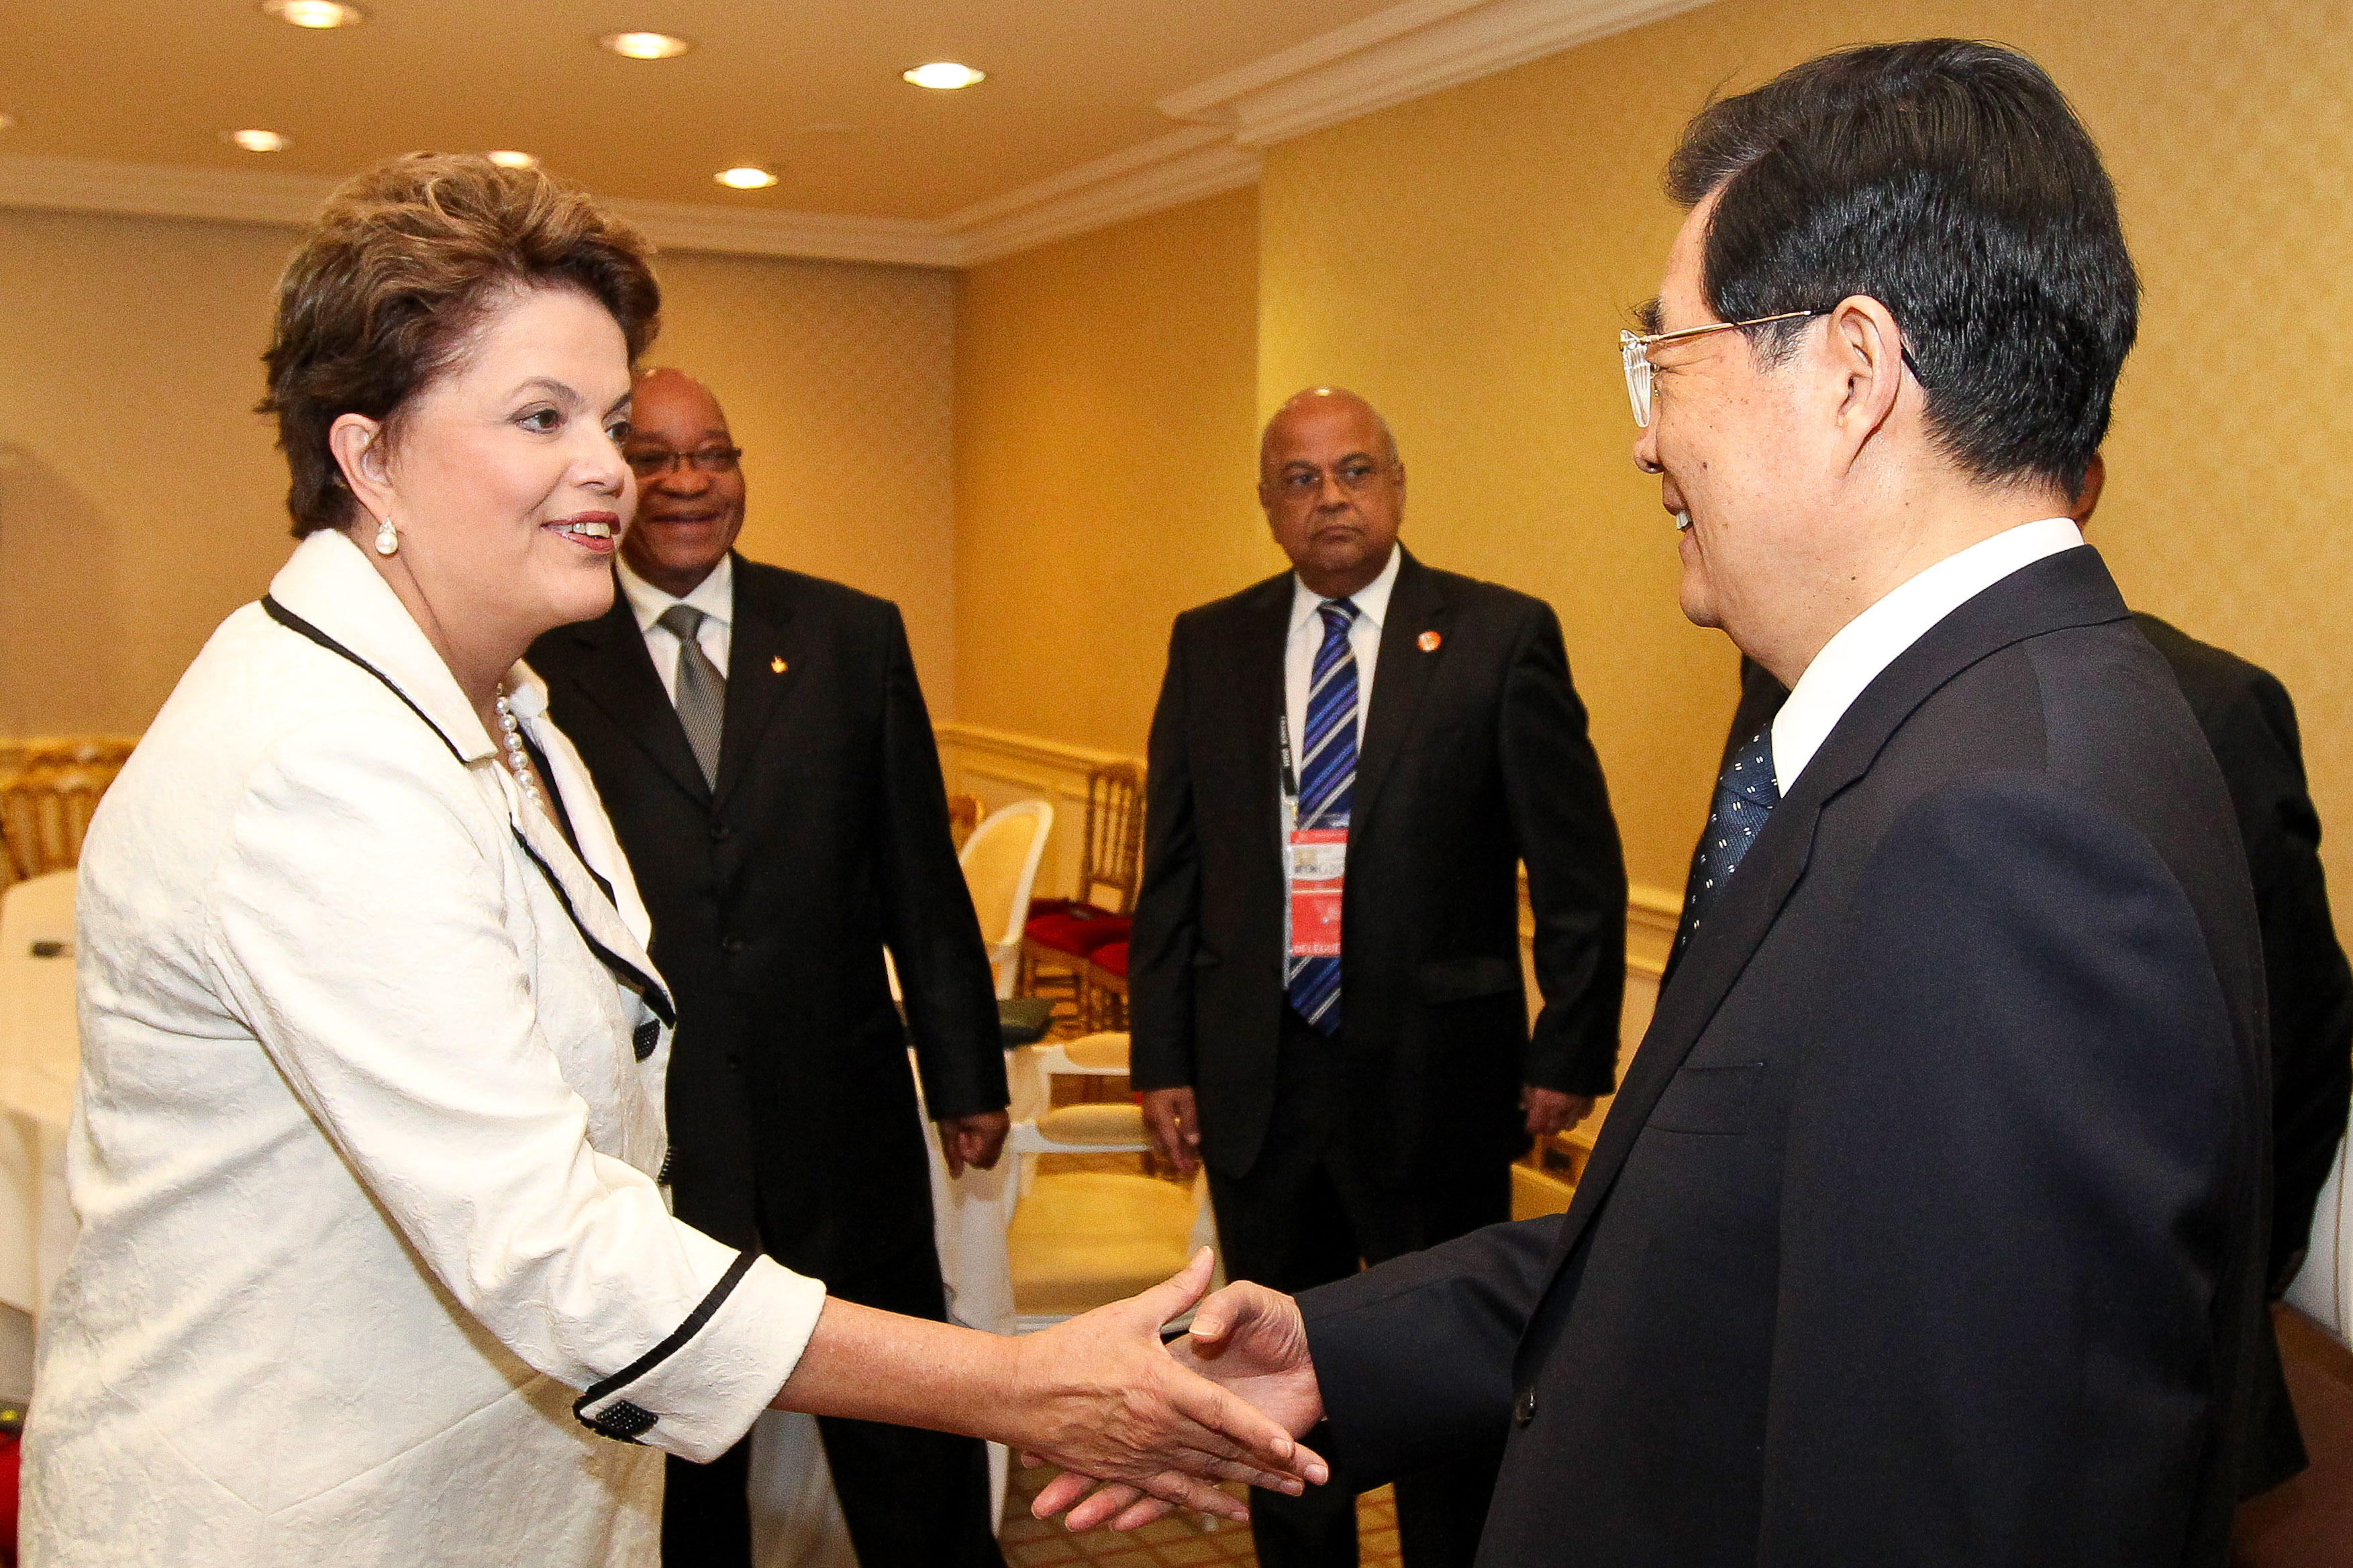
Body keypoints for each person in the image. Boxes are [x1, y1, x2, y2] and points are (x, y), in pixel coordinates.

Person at [1050, 41, 2276, 1567]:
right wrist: (1337, 1345)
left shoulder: (1999, 837)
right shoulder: (1983, 725)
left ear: (1846, 370)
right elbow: (1716, 1239)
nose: (1639, 434)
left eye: (1663, 361)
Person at [18, 152, 1321, 1567]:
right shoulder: (315, 760)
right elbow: (554, 1245)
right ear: (367, 451)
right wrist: (1019, 1384)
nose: (608, 470)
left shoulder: (509, 710)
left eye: (612, 418)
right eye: (541, 416)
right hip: (311, 1516)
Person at [1128, 386, 1627, 1568]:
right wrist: (1164, 1057)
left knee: (1448, 1379)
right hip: (1260, 1077)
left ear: (1397, 485)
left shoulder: (1499, 635)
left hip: (1438, 1082)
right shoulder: (1212, 641)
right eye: (1299, 479)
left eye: (1354, 470)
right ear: (1266, 505)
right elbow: (1176, 867)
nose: (1330, 498)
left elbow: (1577, 869)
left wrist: (1566, 1048)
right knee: (1265, 1383)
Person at [527, 366, 1009, 1567]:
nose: (687, 481)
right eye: (654, 456)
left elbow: (916, 873)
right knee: (685, 1448)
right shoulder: (544, 655)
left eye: (717, 453)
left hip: (844, 1116)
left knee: (912, 1428)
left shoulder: (850, 632)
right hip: (658, 1137)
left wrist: (965, 1076)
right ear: (609, 477)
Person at [1711, 454, 2353, 1310]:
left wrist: (2195, 1312)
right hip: (1763, 1290)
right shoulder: (1782, 679)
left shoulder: (2208, 708)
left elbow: (2289, 1053)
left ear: (2078, 487)